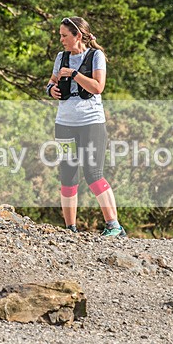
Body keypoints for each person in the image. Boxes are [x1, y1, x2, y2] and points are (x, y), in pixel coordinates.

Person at [45, 16, 126, 237]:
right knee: (68, 174)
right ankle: (70, 228)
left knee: (93, 173)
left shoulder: (95, 56)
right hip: (64, 125)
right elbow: (51, 82)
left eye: (64, 35)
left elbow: (98, 87)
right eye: (60, 35)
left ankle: (114, 226)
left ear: (77, 35)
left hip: (91, 124)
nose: (60, 39)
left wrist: (74, 74)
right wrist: (50, 90)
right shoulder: (60, 57)